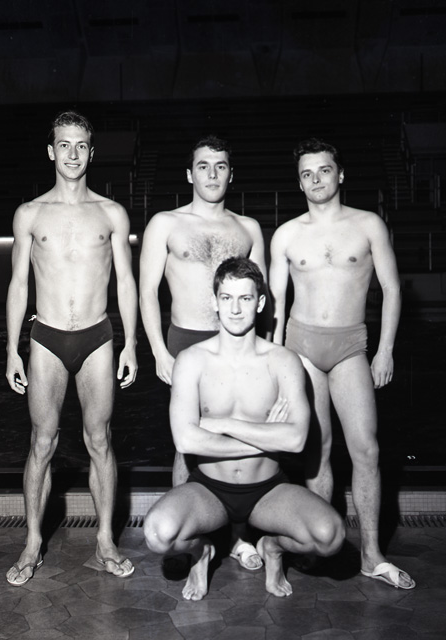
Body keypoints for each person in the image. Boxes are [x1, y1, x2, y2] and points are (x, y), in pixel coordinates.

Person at [143, 257, 344, 600]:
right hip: (209, 490)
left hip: (268, 490)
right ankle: (201, 551)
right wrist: (268, 436)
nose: (235, 309)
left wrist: (223, 425)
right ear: (214, 302)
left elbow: (297, 440)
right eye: (227, 298)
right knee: (158, 534)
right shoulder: (192, 361)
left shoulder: (283, 361)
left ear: (260, 302)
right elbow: (186, 440)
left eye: (245, 298)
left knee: (330, 537)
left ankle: (273, 547)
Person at [269, 138, 415, 590]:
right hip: (301, 346)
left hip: (351, 346)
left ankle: (372, 555)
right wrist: (275, 368)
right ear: (299, 182)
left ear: (340, 174)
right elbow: (276, 305)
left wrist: (385, 350)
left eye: (324, 170)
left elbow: (392, 289)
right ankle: (320, 544)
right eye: (307, 173)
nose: (316, 179)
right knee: (317, 450)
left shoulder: (368, 225)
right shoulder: (286, 234)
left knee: (366, 449)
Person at [4, 111, 138, 585]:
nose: (73, 153)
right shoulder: (30, 214)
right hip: (46, 337)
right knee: (42, 442)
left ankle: (105, 540)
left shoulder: (111, 213)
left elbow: (126, 282)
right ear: (51, 151)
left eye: (81, 145)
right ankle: (32, 543)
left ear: (92, 152)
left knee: (99, 440)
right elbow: (19, 284)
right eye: (64, 144)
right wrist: (11, 348)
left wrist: (131, 344)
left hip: (98, 337)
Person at [139, 135, 269, 570]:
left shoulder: (248, 229)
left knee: (245, 435)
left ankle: (240, 536)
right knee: (187, 444)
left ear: (231, 174)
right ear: (189, 173)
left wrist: (267, 355)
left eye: (220, 166)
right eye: (203, 166)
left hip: (239, 344)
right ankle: (190, 540)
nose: (212, 174)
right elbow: (146, 292)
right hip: (186, 342)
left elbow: (262, 299)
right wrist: (159, 351)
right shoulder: (166, 223)